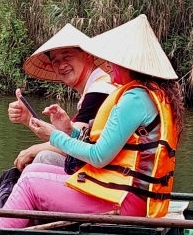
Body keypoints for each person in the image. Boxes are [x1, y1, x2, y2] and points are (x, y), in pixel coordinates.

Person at [0, 15, 182, 229]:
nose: (109, 65)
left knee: (29, 183)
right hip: (131, 194)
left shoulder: (135, 98)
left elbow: (98, 157)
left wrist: (54, 136)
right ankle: (19, 230)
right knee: (30, 172)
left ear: (127, 62)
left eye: (114, 59)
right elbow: (102, 145)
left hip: (126, 201)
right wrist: (68, 130)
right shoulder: (151, 94)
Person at [8, 24, 117, 170]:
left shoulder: (101, 89)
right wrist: (28, 119)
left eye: (67, 56)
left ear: (88, 55)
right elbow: (68, 137)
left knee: (43, 157)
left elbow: (74, 143)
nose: (62, 65)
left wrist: (33, 150)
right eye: (55, 61)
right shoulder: (94, 87)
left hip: (111, 172)